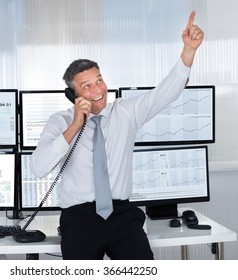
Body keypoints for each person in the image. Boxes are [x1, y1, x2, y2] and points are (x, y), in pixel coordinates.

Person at [31, 10, 204, 260]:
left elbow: (166, 91)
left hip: (122, 216)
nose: (98, 89)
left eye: (99, 80)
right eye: (87, 86)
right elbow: (38, 167)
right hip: (79, 219)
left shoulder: (125, 112)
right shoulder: (60, 122)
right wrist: (75, 125)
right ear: (73, 94)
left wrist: (188, 51)